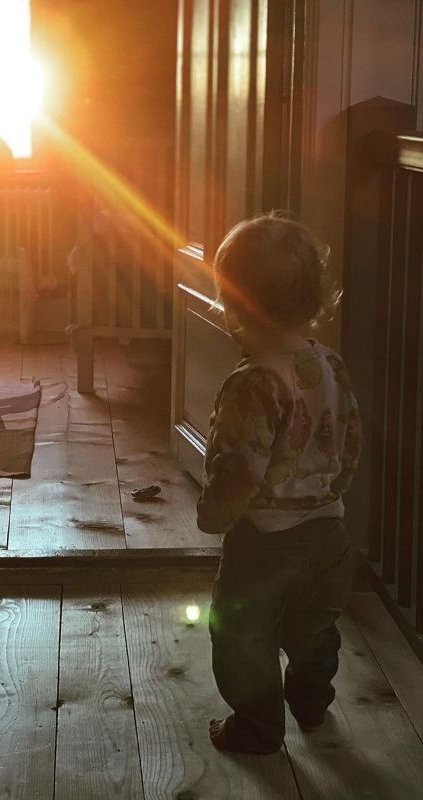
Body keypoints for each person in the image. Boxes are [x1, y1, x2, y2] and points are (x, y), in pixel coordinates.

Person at [196, 211, 362, 755]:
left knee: (242, 635)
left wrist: (213, 517)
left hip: (265, 542)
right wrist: (333, 489)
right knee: (315, 629)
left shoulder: (252, 384)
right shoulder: (330, 364)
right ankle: (311, 706)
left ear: (236, 304)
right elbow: (350, 437)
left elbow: (236, 469)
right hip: (330, 534)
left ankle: (258, 729)